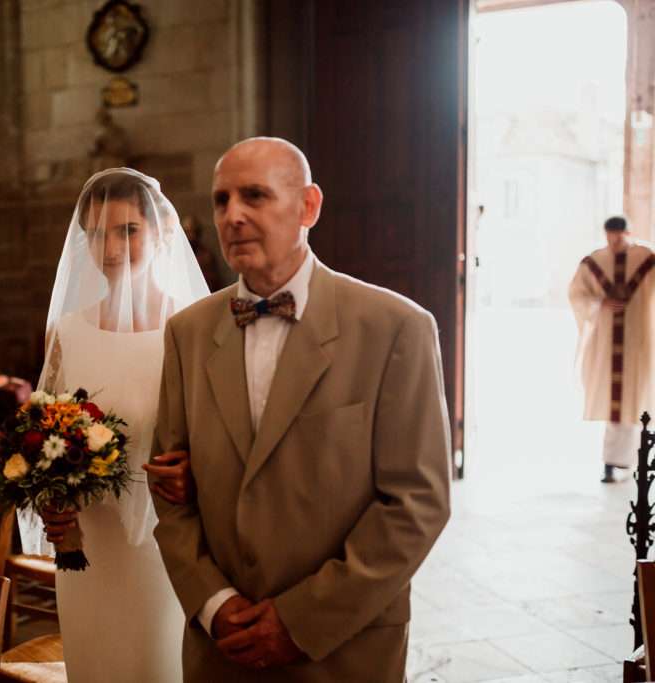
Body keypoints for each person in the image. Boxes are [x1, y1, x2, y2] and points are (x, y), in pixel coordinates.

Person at [148, 137, 452, 681]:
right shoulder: (187, 334)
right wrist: (213, 602)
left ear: (308, 206)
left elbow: (417, 502)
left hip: (343, 647)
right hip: (221, 651)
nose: (233, 215)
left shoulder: (395, 328)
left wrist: (300, 619)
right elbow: (168, 489)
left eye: (255, 196)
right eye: (222, 200)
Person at [21, 168, 210, 682]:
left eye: (128, 230)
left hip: (159, 549)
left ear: (161, 233)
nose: (111, 246)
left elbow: (213, 446)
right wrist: (48, 496)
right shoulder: (65, 333)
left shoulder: (189, 329)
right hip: (87, 547)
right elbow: (40, 439)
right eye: (98, 232)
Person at [568, 215, 655, 482]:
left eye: (617, 239)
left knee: (637, 398)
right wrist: (599, 304)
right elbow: (577, 293)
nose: (613, 244)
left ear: (628, 233)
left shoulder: (648, 258)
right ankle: (611, 461)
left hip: (639, 339)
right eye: (608, 239)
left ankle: (633, 461)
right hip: (607, 342)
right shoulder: (593, 262)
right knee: (613, 400)